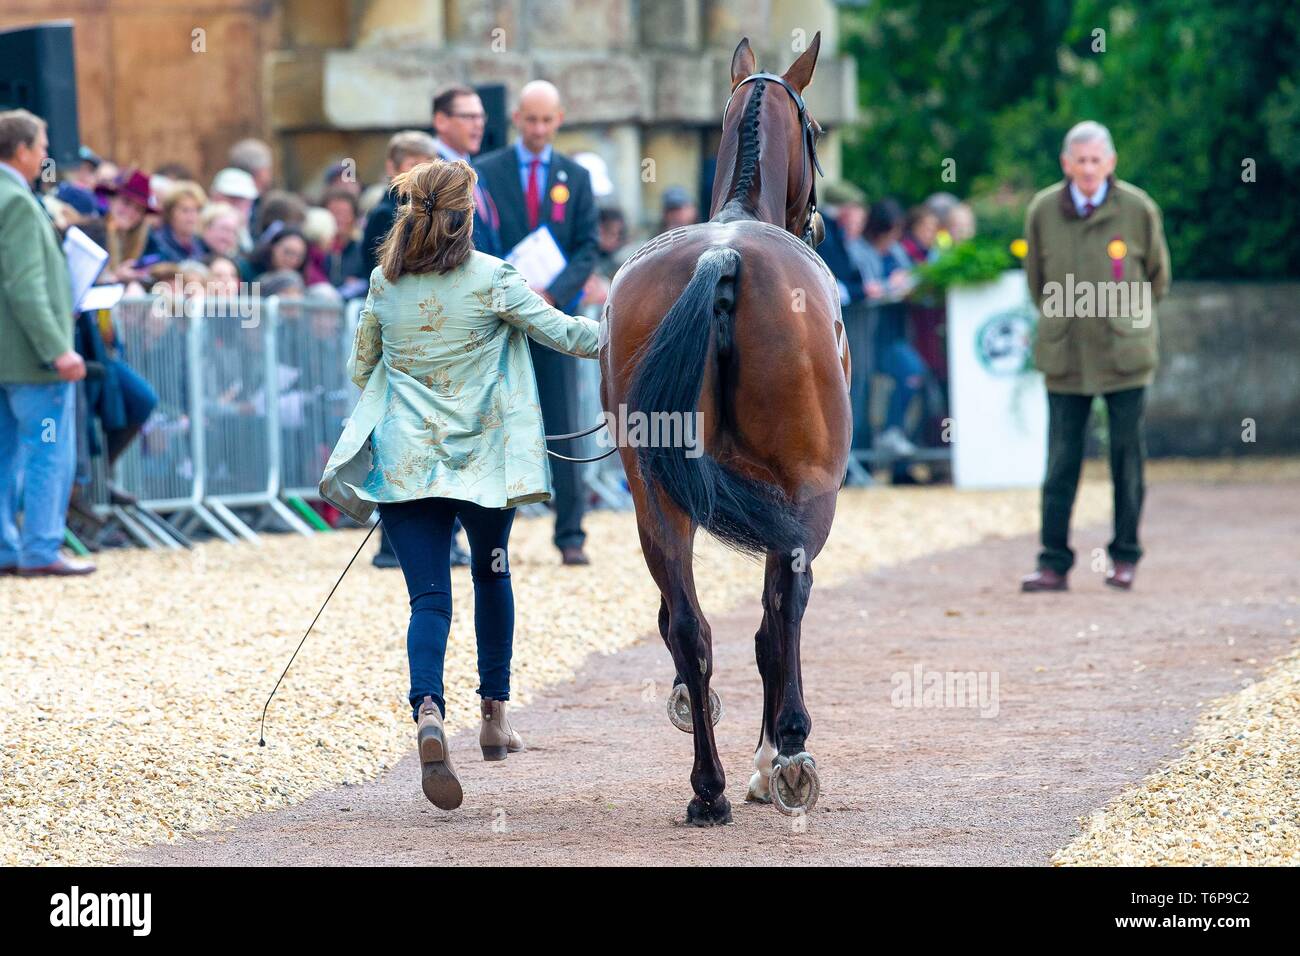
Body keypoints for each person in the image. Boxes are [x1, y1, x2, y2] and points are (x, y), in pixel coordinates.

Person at [318, 159, 600, 809]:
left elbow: (363, 368)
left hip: (408, 466)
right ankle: (495, 719)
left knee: (428, 600)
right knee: (492, 577)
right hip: (483, 468)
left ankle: (428, 713)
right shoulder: (493, 278)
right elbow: (565, 335)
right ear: (468, 216)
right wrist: (641, 327)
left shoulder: (384, 284)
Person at [1021, 121, 1170, 593]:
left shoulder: (1139, 208)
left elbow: (1158, 279)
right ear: (1066, 164)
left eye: (1095, 160)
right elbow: (1036, 281)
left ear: (1111, 162)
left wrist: (1126, 318)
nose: (1088, 170)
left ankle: (1125, 557)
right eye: (1079, 161)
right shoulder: (1043, 209)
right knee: (1061, 460)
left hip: (1125, 352)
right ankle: (1052, 562)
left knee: (1127, 458)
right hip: (1066, 354)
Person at [474, 80, 600, 566]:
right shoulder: (485, 172)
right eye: (531, 120)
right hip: (498, 318)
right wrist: (509, 290)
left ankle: (571, 534)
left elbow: (587, 246)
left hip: (554, 317)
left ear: (560, 119)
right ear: (517, 120)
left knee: (563, 422)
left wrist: (551, 295)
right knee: (489, 423)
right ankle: (487, 537)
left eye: (547, 121)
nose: (539, 129)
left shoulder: (576, 175)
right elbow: (479, 236)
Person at [0, 109, 94, 576]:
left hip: (6, 356)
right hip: (30, 357)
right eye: (40, 147)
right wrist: (58, 347)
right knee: (46, 449)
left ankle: (5, 547)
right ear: (20, 151)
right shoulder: (16, 201)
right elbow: (25, 285)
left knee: (3, 455)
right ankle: (40, 548)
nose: (44, 156)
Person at [430, 84, 501, 256]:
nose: (479, 124)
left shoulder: (477, 171)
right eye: (469, 116)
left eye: (481, 116)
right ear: (441, 121)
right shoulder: (429, 173)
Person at [359, 130, 438, 281]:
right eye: (414, 164)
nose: (421, 172)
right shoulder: (384, 214)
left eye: (427, 165)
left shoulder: (431, 207)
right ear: (391, 167)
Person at [143, 181, 208, 262]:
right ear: (170, 213)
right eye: (185, 210)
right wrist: (181, 274)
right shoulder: (156, 242)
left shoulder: (200, 245)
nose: (192, 216)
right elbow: (174, 273)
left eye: (197, 210)